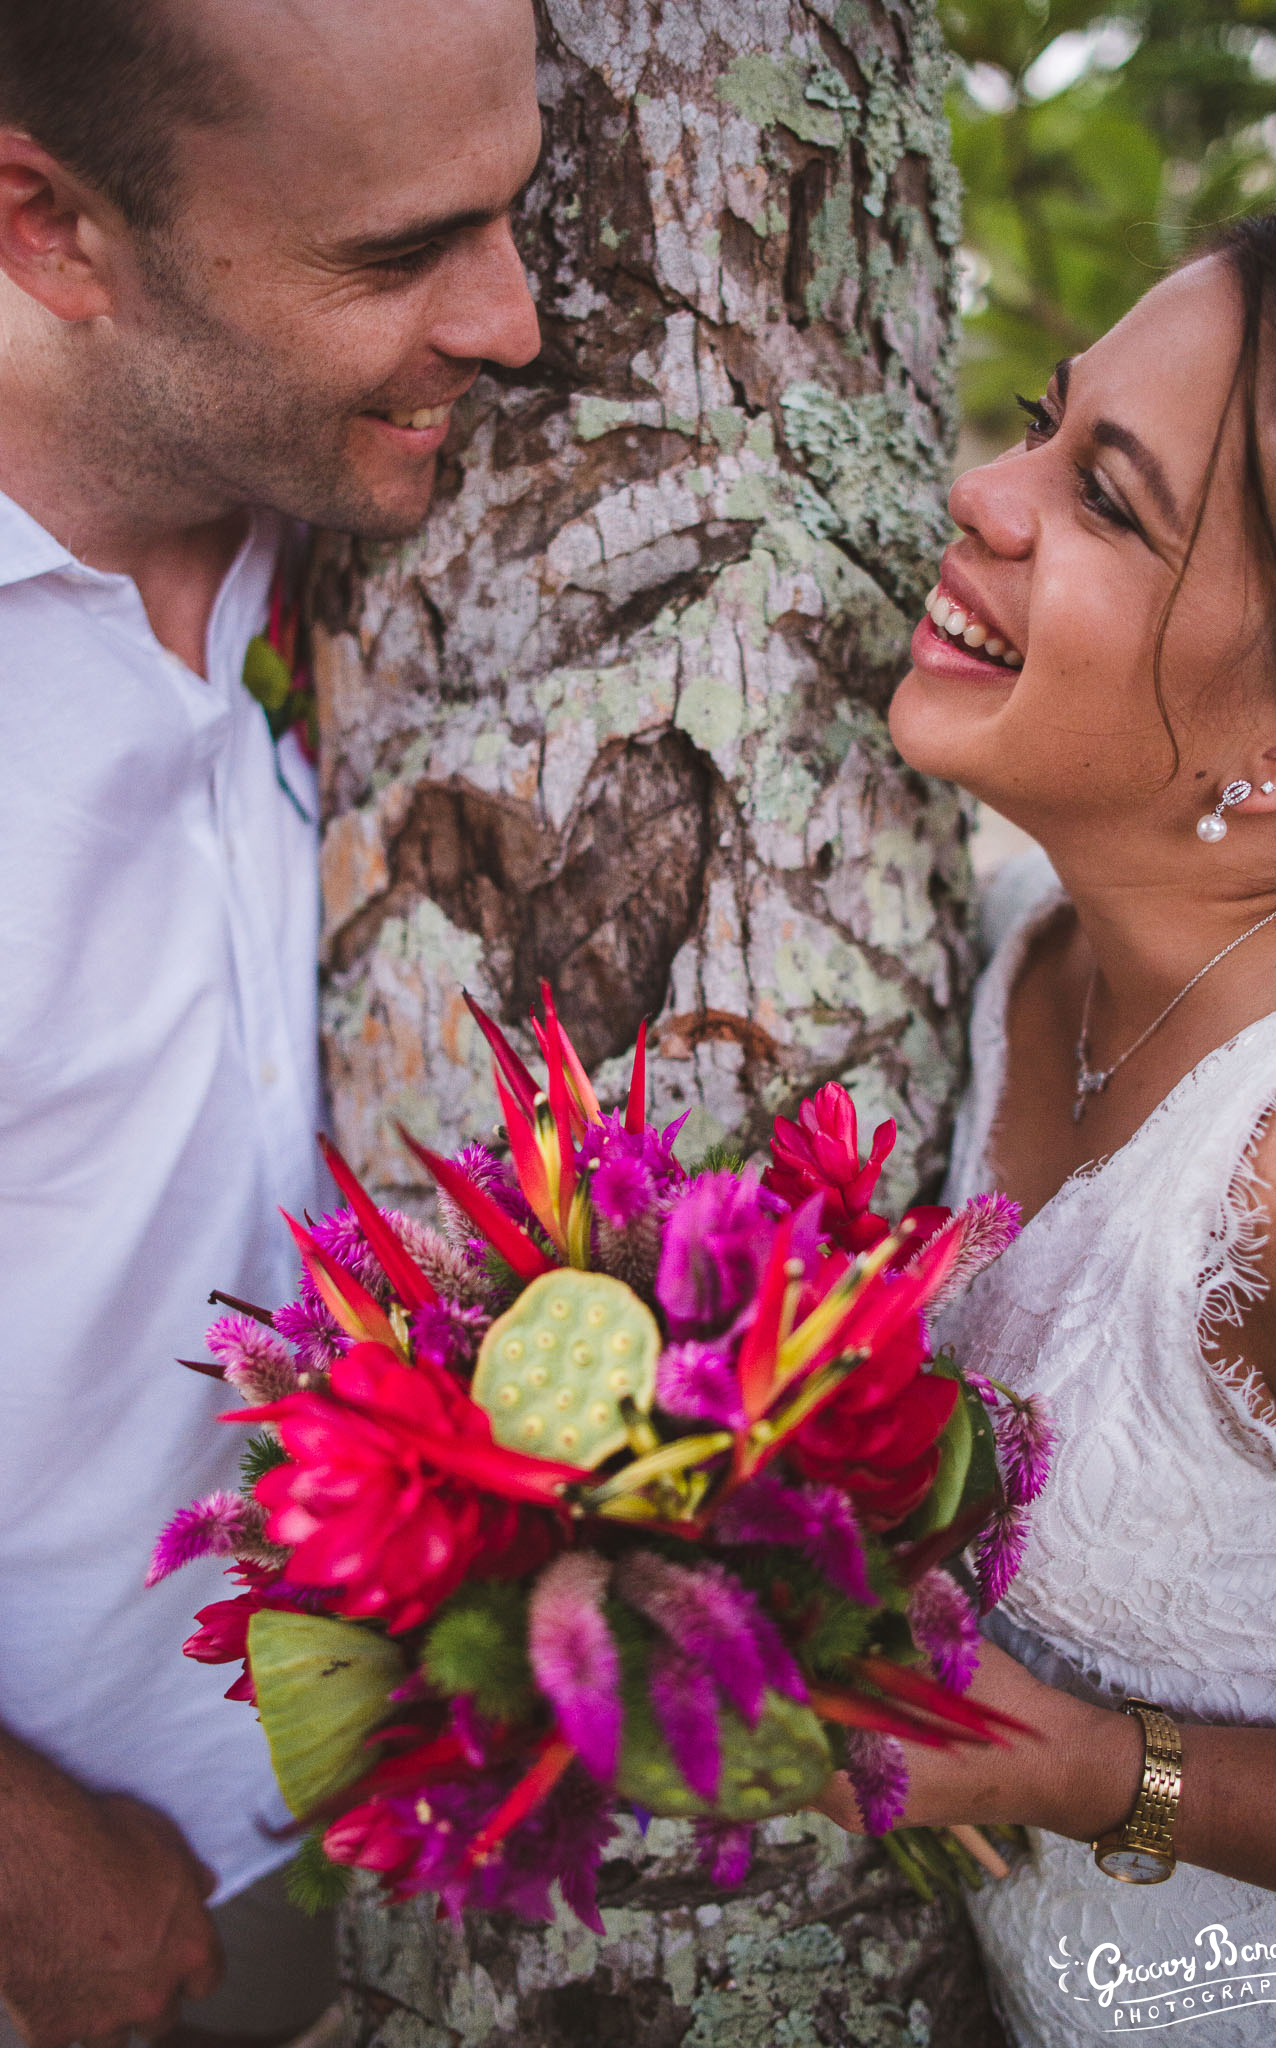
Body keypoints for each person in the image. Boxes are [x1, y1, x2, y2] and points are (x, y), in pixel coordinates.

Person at [0, 0, 540, 2041]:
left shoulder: (335, 513)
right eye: (399, 255)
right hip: (99, 1906)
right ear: (53, 225)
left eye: (519, 210)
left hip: (392, 1794)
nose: (510, 323)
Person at [821, 205, 1276, 2045]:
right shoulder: (1014, 942)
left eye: (1110, 502)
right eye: (1044, 418)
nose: (983, 488)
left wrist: (1075, 1767)